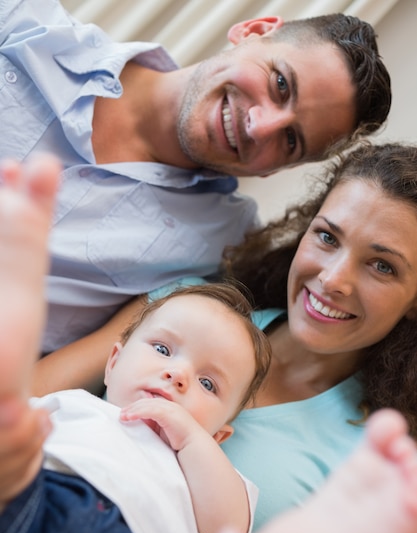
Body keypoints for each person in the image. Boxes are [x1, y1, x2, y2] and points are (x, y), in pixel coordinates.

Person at [2, 155, 417, 533]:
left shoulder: (386, 460)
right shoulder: (188, 309)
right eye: (326, 236)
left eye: (382, 266)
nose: (332, 278)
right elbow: (32, 395)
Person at [0, 1, 392, 356]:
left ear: (279, 170)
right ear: (252, 31)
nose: (259, 125)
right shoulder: (22, 22)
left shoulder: (223, 248)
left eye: (290, 140)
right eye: (280, 84)